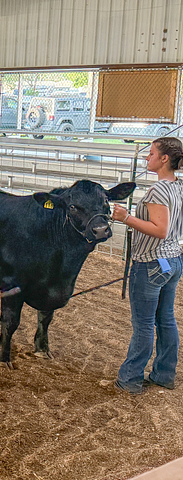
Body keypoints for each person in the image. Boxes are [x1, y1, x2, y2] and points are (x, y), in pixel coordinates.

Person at [112, 137, 183, 395]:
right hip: (173, 261)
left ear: (164, 159)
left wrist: (126, 218)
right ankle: (164, 374)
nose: (146, 157)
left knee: (143, 324)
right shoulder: (179, 186)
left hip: (151, 262)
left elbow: (160, 230)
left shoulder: (158, 190)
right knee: (165, 318)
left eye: (151, 153)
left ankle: (130, 379)